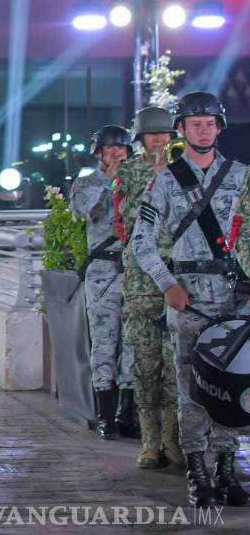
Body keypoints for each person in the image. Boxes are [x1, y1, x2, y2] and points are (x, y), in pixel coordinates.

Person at [131, 91, 249, 508]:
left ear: (219, 128)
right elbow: (140, 243)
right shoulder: (164, 180)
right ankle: (199, 472)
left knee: (234, 385)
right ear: (181, 129)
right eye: (194, 123)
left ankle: (226, 468)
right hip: (189, 298)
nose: (202, 129)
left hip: (236, 298)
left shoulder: (241, 176)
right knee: (193, 386)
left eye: (209, 123)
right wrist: (167, 284)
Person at [113, 106, 183, 469]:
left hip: (177, 273)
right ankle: (148, 441)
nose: (159, 139)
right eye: (152, 134)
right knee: (144, 360)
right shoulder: (129, 171)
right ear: (140, 138)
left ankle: (172, 439)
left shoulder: (185, 168)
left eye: (165, 134)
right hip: (142, 276)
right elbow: (126, 217)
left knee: (175, 362)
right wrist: (154, 181)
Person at [68, 125, 135, 440]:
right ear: (98, 153)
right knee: (105, 343)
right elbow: (85, 210)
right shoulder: (86, 183)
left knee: (134, 345)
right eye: (111, 149)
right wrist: (112, 180)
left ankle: (128, 413)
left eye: (122, 149)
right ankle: (105, 414)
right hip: (103, 274)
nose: (118, 154)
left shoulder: (138, 181)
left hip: (134, 271)